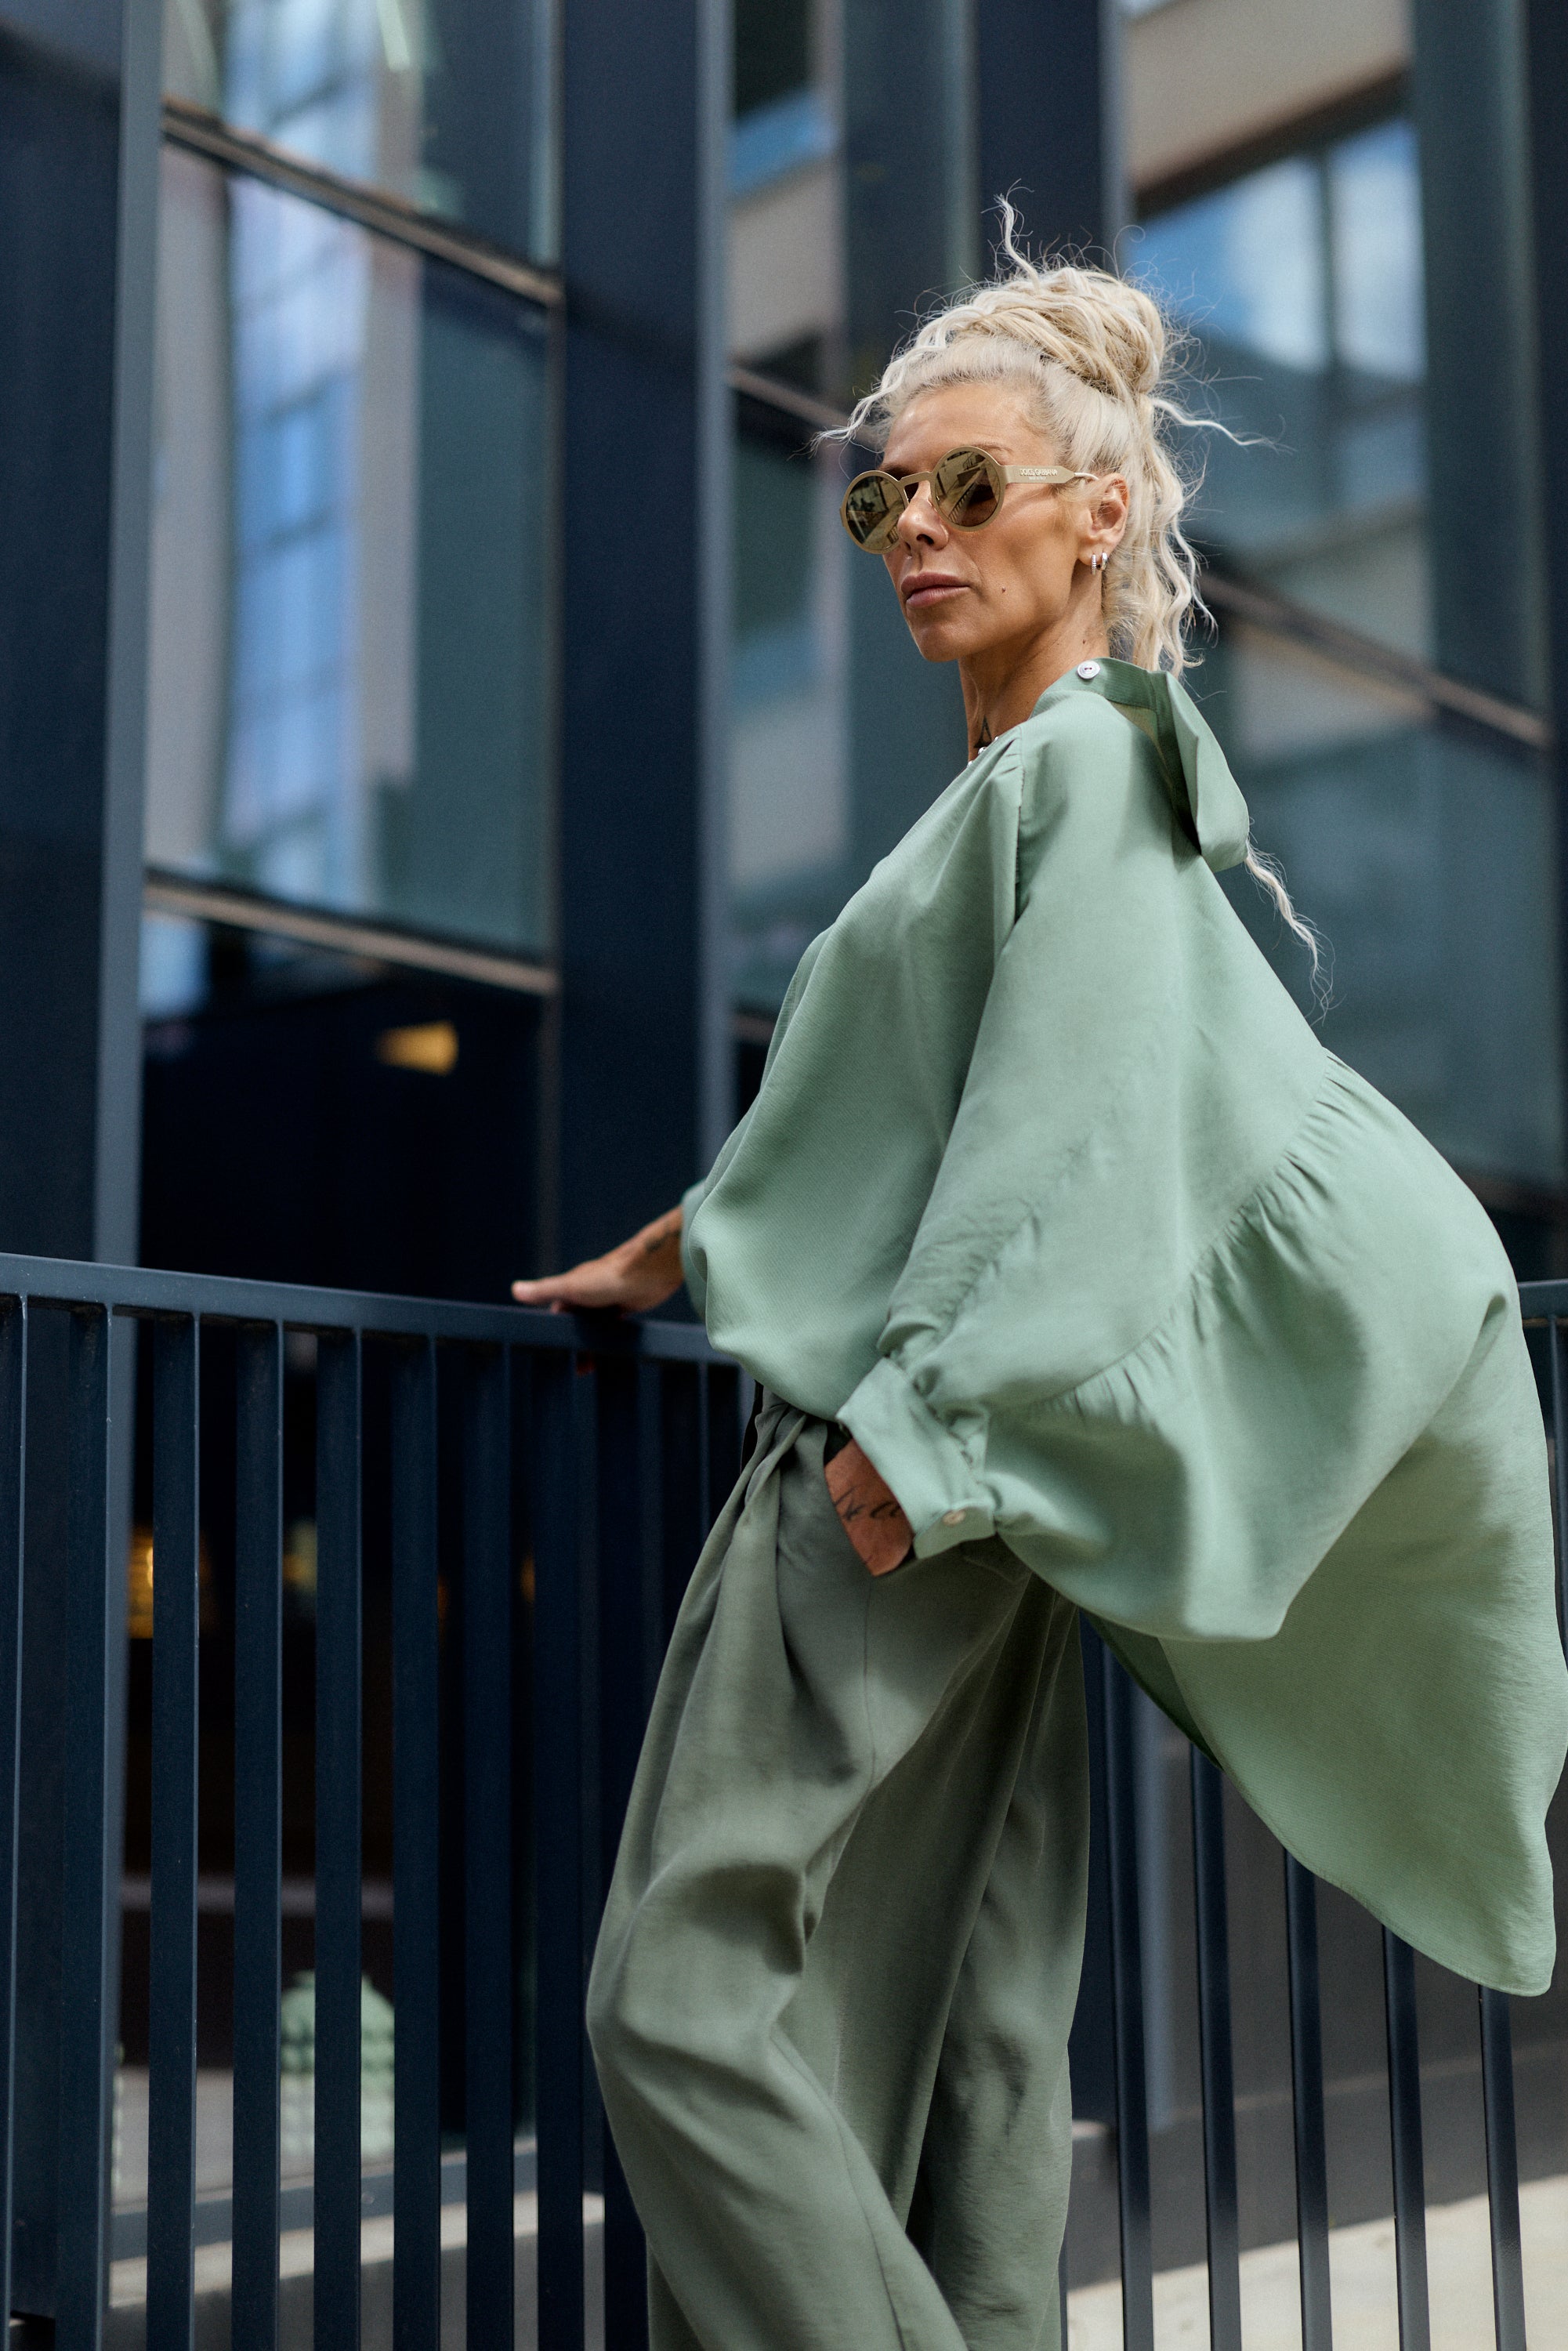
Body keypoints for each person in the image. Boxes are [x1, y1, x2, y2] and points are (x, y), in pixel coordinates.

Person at [512, 226, 1568, 2351]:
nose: (912, 528)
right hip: (978, 1485)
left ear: (1097, 514)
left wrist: (925, 1438)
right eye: (881, 495)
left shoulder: (1082, 769)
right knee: (974, 2029)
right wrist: (685, 1242)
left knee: (681, 2000)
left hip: (905, 1463)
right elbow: (942, 1104)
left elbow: (1070, 1141)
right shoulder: (1043, 777)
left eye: (966, 486)